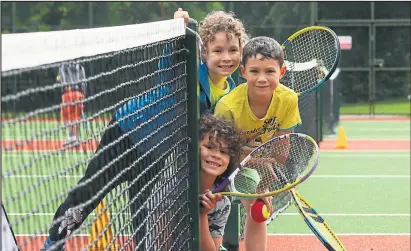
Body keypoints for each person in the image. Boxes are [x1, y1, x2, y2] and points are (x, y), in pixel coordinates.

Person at [214, 36, 302, 251]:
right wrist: (255, 163)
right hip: (220, 161)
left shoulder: (289, 99)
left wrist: (262, 181)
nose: (262, 78)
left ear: (281, 73)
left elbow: (280, 153)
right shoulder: (228, 107)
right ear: (243, 72)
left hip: (253, 160)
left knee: (257, 208)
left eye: (270, 71)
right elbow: (222, 155)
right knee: (211, 212)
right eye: (255, 71)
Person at [174, 8, 248, 114]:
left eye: (233, 50)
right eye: (218, 51)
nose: (226, 58)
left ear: (241, 52)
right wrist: (177, 33)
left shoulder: (233, 91)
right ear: (204, 51)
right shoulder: (190, 75)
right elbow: (169, 69)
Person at [198, 114, 241, 251]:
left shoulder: (222, 203)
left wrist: (201, 215)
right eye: (209, 147)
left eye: (223, 152)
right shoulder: (173, 188)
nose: (216, 155)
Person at [58, 64, 87, 145]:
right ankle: (76, 138)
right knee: (77, 116)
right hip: (78, 93)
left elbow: (60, 80)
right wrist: (83, 95)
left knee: (67, 117)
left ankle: (72, 137)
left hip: (67, 94)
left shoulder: (62, 67)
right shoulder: (81, 67)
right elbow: (84, 83)